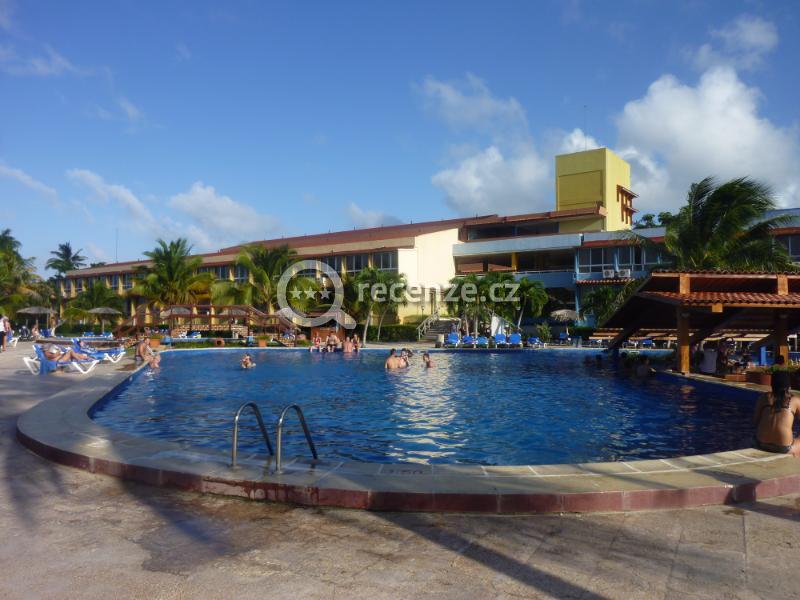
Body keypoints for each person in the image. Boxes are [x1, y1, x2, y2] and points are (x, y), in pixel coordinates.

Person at [753, 363, 800, 456]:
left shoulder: (764, 398)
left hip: (760, 443)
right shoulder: (795, 401)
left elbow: (755, 422)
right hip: (784, 448)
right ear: (788, 386)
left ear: (772, 384)